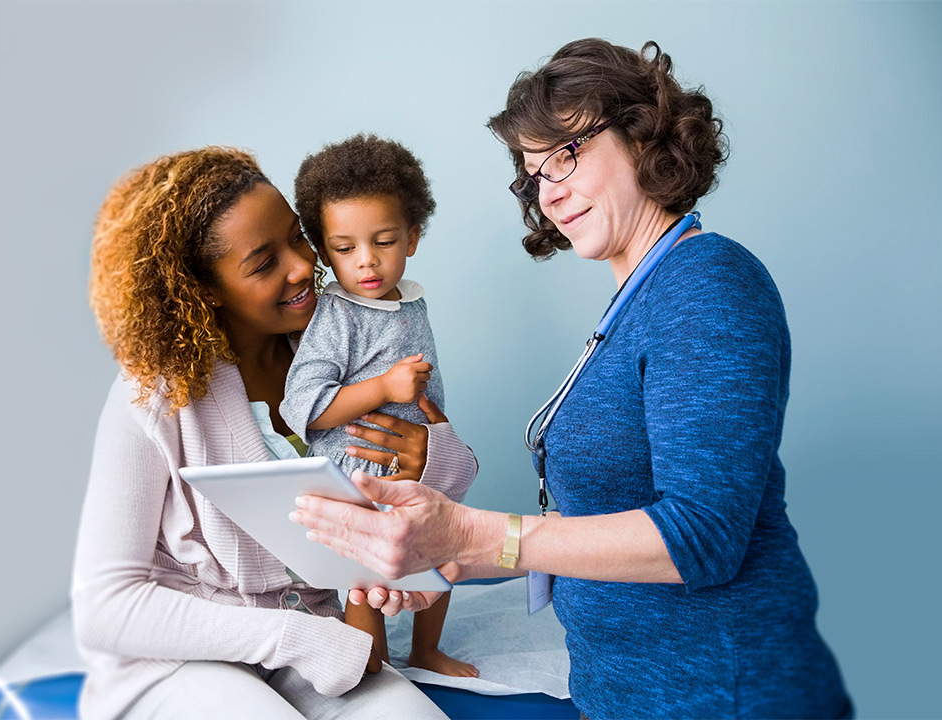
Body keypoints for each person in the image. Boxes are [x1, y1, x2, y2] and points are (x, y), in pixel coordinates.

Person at [291, 39, 853, 719]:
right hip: (627, 695)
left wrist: (472, 532)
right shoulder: (640, 299)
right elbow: (596, 522)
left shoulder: (707, 286)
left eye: (568, 153)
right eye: (533, 173)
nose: (549, 190)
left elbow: (702, 535)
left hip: (721, 694)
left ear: (644, 136)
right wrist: (441, 558)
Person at [73, 145, 477, 719]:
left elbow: (444, 470)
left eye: (299, 238)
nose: (300, 267)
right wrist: (304, 640)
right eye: (264, 263)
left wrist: (428, 456)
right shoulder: (154, 393)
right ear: (204, 288)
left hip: (319, 641)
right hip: (182, 659)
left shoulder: (337, 341)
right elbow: (105, 608)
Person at [280, 134, 477, 679]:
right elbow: (304, 406)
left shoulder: (411, 299)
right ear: (323, 251)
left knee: (438, 557)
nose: (366, 261)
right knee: (366, 581)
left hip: (419, 468)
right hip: (360, 476)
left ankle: (426, 651)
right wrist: (385, 388)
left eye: (384, 241)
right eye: (344, 249)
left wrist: (442, 443)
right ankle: (375, 666)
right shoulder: (336, 315)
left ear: (412, 237)